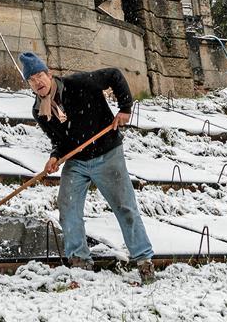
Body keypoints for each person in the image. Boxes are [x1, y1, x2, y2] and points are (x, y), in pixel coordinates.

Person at [19, 51, 156, 284]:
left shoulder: (79, 83)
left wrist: (125, 108)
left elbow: (114, 75)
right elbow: (60, 141)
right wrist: (55, 157)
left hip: (107, 153)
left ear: (49, 74)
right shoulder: (39, 110)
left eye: (40, 76)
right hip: (78, 162)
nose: (38, 83)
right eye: (32, 80)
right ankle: (80, 261)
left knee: (125, 206)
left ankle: (143, 260)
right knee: (68, 206)